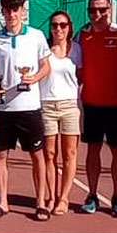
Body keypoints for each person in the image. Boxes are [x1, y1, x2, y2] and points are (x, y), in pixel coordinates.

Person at [0, 0, 51, 221]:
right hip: (4, 110)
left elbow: (46, 67)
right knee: (0, 155)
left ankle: (41, 202)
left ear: (23, 11)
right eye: (8, 10)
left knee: (37, 155)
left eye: (16, 10)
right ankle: (2, 202)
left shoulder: (36, 36)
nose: (12, 14)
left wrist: (34, 78)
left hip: (29, 107)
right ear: (2, 12)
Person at [76, 0, 117, 216]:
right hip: (91, 104)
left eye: (102, 10)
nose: (97, 15)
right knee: (92, 150)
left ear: (110, 9)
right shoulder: (82, 36)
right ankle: (92, 194)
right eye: (93, 10)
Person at [40, 11, 82, 216]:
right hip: (46, 105)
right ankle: (50, 196)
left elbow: (80, 77)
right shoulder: (43, 49)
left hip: (70, 106)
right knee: (49, 154)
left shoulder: (78, 50)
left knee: (70, 153)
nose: (58, 29)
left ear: (69, 27)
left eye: (63, 25)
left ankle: (63, 198)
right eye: (55, 25)